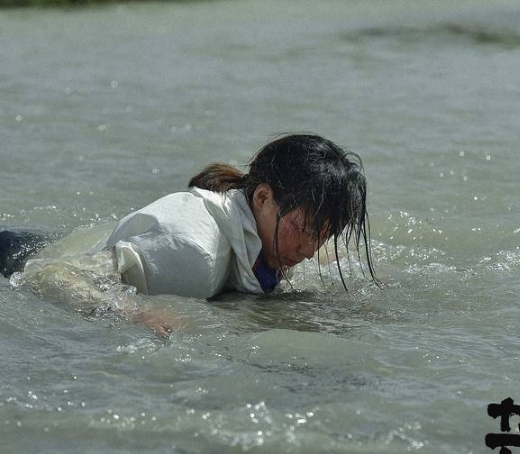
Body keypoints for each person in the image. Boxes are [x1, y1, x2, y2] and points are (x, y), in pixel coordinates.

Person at [2, 135, 376, 329]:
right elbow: (50, 274)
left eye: (322, 236)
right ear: (262, 197)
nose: (310, 250)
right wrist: (132, 312)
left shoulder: (264, 232)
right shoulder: (192, 250)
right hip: (17, 256)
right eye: (305, 230)